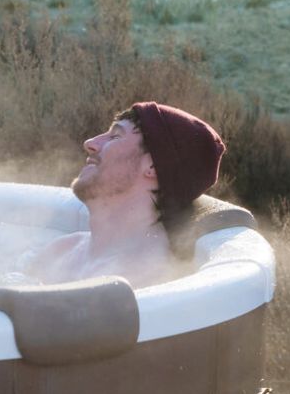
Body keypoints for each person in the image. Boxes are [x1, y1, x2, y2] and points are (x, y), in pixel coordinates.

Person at [24, 101, 225, 288]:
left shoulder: (149, 279)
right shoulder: (62, 250)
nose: (90, 143)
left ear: (153, 166)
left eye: (115, 136)